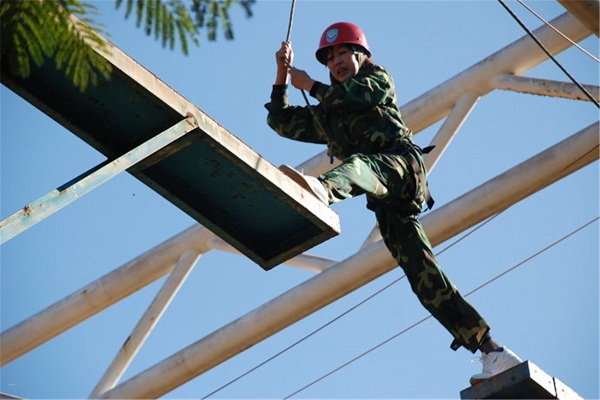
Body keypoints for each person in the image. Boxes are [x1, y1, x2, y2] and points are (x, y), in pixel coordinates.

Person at [265, 21, 522, 384]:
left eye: (344, 54)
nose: (337, 61)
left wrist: (312, 86)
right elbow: (280, 121)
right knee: (424, 277)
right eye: (331, 57)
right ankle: (490, 350)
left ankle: (321, 191)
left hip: (401, 167)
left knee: (359, 166)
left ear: (362, 56)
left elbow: (352, 96)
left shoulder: (377, 80)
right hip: (386, 199)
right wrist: (281, 76)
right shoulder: (329, 116)